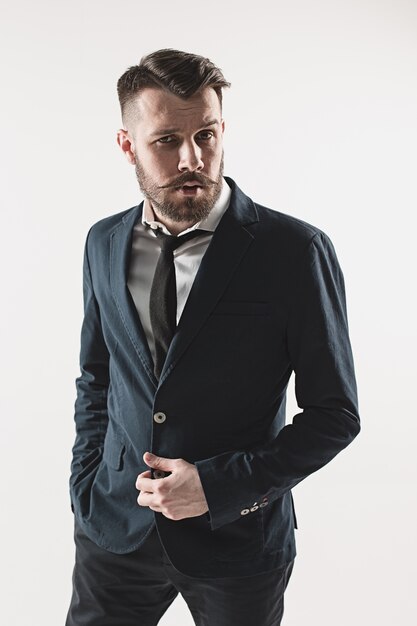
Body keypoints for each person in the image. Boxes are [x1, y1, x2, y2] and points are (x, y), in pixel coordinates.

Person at [65, 48, 361, 626]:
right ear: (128, 144)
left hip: (239, 541)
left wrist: (220, 488)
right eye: (166, 141)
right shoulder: (103, 242)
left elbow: (335, 414)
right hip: (114, 531)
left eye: (206, 134)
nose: (192, 158)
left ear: (223, 128)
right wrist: (86, 486)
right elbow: (96, 377)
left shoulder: (294, 252)